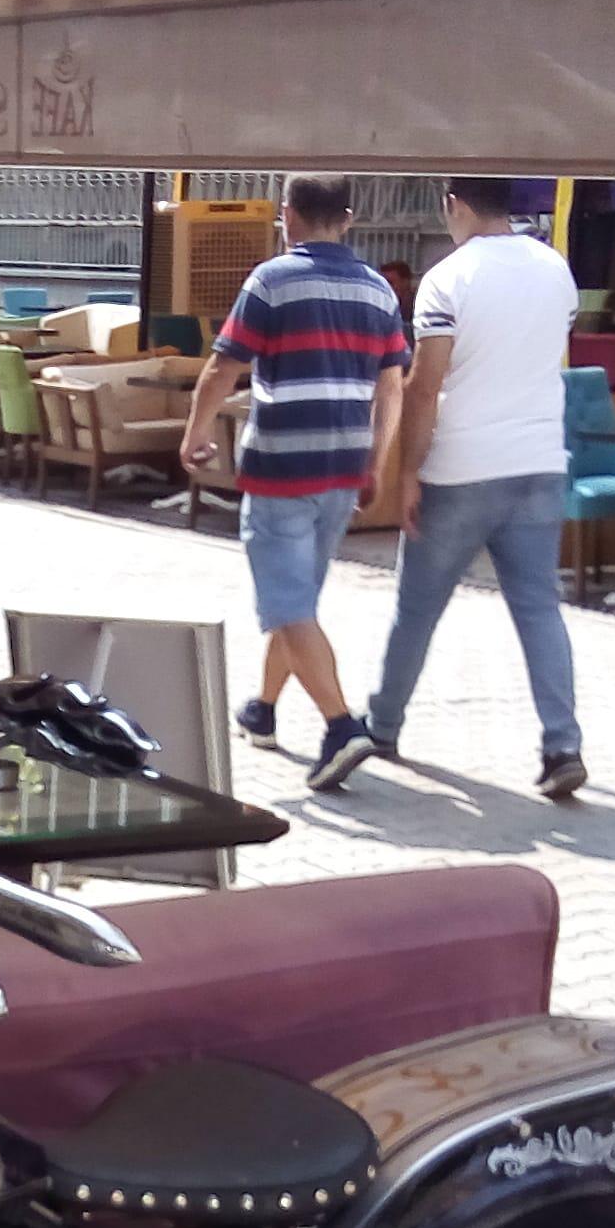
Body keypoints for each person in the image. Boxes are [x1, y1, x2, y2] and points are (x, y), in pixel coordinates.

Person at [181, 174, 410, 790]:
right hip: (343, 467)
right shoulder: (378, 290)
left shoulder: (272, 280)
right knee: (298, 601)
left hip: (282, 467)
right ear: (349, 218)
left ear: (288, 214)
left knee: (287, 606)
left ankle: (341, 727)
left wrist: (196, 430)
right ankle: (262, 708)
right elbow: (391, 387)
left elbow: (223, 365)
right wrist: (377, 461)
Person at [366, 178, 589, 802]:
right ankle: (562, 745)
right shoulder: (555, 270)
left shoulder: (447, 278)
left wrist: (408, 472)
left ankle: (383, 726)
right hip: (539, 460)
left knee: (417, 607)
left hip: (462, 468)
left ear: (455, 205)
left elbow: (424, 386)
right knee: (539, 608)